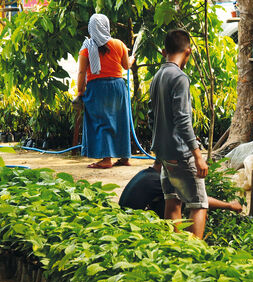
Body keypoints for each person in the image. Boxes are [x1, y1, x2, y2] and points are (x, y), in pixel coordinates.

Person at [148, 29, 208, 238]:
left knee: (173, 200)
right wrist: (198, 155)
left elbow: (151, 116)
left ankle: (173, 250)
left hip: (164, 153)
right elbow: (183, 120)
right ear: (188, 52)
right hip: (180, 153)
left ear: (164, 52)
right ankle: (194, 256)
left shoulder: (157, 76)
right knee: (199, 204)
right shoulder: (179, 78)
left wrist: (158, 151)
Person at [77, 14, 135, 169]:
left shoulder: (87, 48)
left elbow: (82, 73)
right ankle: (124, 157)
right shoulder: (119, 44)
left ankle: (106, 159)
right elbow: (126, 66)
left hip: (97, 88)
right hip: (118, 86)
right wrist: (132, 59)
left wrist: (80, 91)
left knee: (101, 122)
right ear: (106, 26)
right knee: (120, 120)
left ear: (91, 28)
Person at [119, 160, 242, 218]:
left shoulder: (146, 174)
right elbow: (198, 199)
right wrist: (229, 206)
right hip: (131, 222)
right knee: (176, 199)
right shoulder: (157, 180)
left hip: (124, 217)